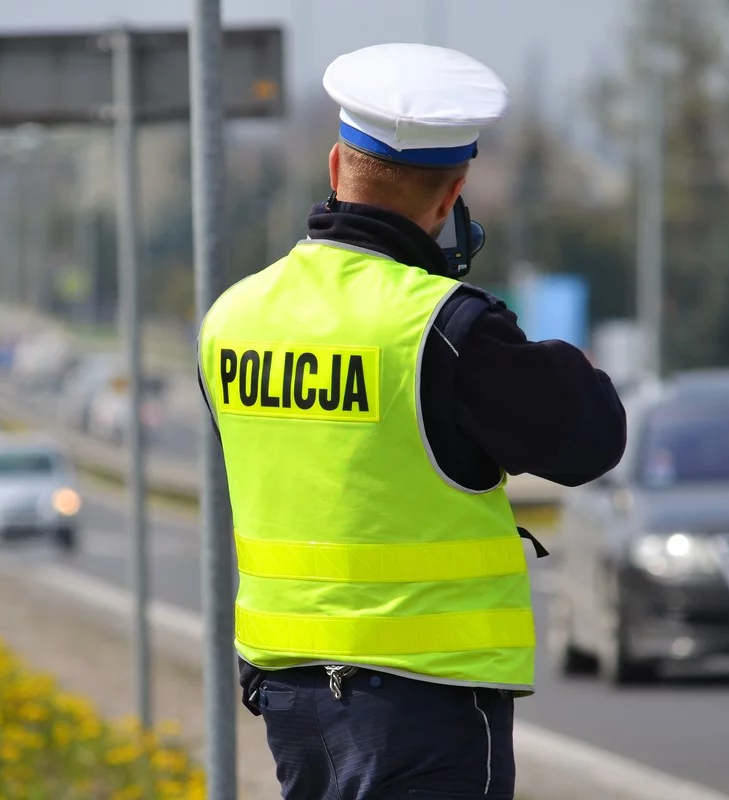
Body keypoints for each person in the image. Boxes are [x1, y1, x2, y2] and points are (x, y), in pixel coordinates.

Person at [197, 43, 627, 800]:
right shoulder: (447, 329)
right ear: (451, 194)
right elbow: (591, 436)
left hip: (291, 701)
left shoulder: (231, 318)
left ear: (336, 168)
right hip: (427, 709)